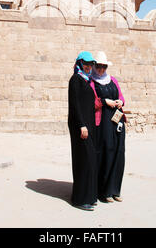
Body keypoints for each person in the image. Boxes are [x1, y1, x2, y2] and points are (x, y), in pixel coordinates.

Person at [91, 51, 125, 203]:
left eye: (103, 67)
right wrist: (105, 102)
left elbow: (121, 96)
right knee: (106, 153)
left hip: (117, 121)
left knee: (118, 153)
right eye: (98, 67)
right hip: (103, 123)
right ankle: (104, 191)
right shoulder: (91, 82)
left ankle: (114, 190)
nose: (101, 70)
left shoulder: (113, 80)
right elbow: (91, 102)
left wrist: (120, 102)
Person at [68, 51, 98, 211]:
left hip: (89, 127)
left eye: (90, 64)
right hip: (80, 127)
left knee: (91, 161)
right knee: (83, 161)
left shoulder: (87, 80)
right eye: (85, 64)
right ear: (79, 63)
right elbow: (75, 106)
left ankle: (90, 196)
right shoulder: (75, 80)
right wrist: (81, 125)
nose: (88, 67)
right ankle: (80, 199)